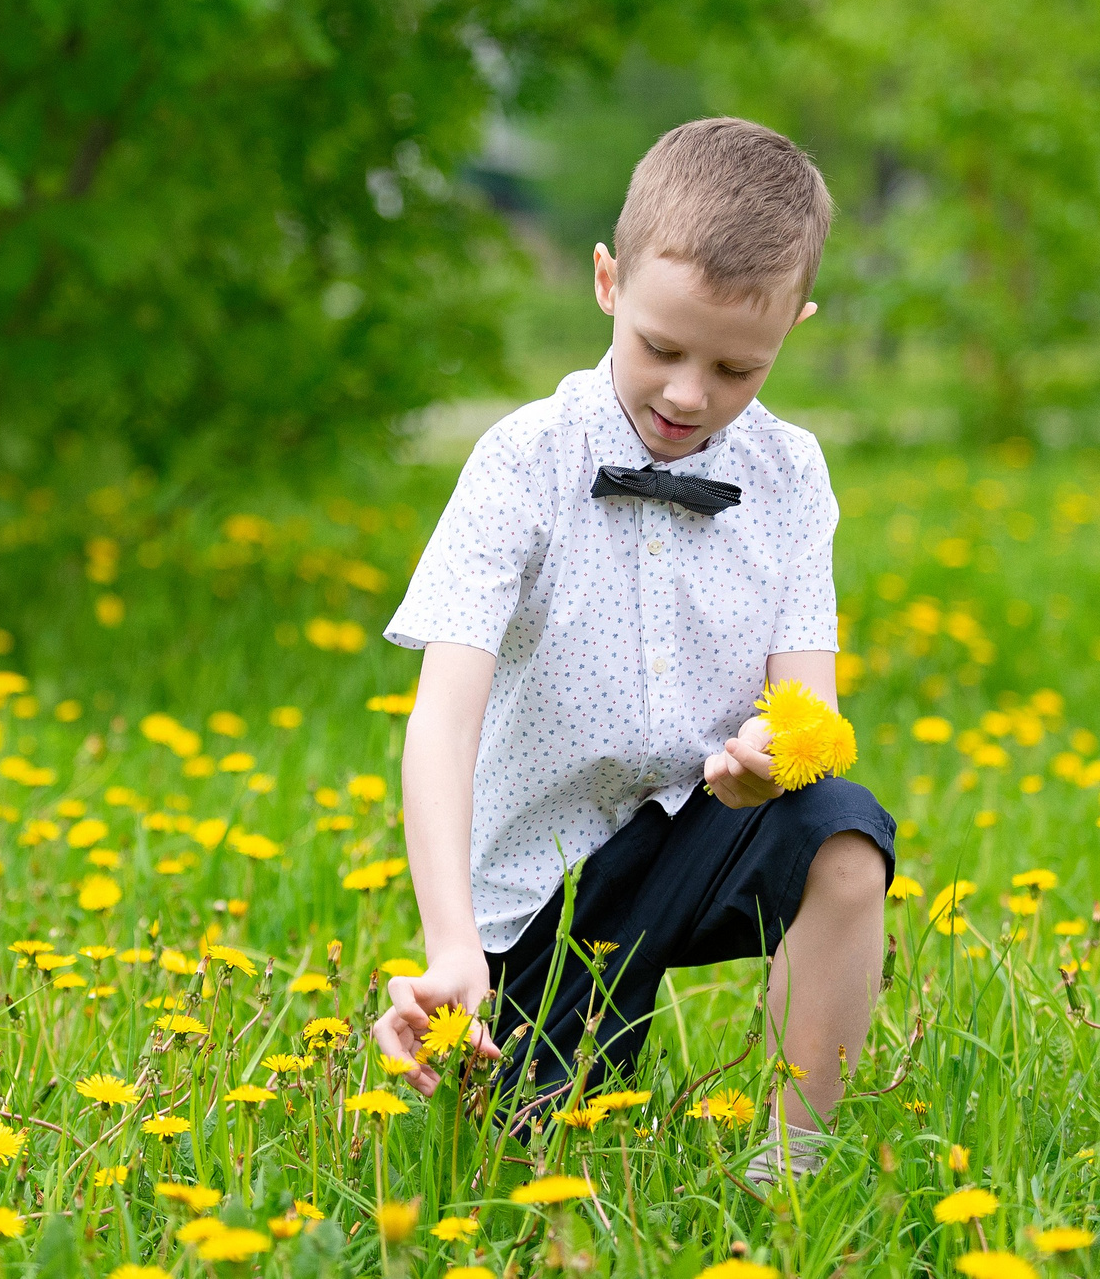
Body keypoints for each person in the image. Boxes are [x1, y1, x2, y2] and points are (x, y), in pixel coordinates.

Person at [370, 116, 894, 1188]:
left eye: (735, 365)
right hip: (540, 880)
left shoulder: (790, 473)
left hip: (701, 822)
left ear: (793, 326)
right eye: (662, 347)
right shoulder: (524, 459)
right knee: (524, 1161)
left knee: (843, 834)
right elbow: (444, 716)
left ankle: (790, 1170)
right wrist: (450, 943)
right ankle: (510, 1025)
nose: (689, 394)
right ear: (608, 282)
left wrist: (770, 759)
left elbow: (811, 712)